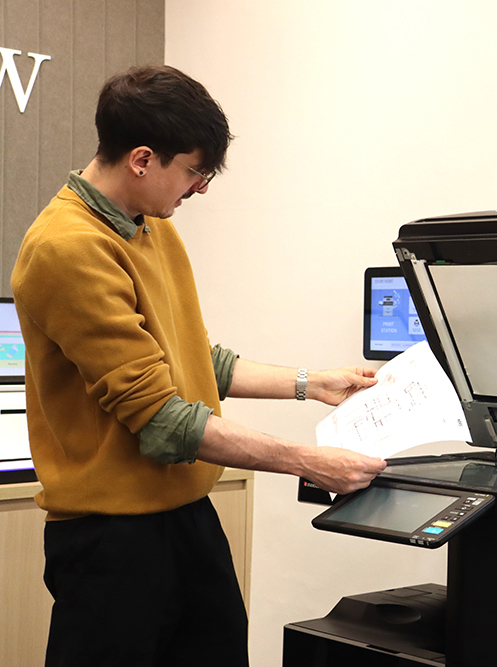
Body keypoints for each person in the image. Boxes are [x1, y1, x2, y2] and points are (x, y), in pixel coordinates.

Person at [10, 65, 386, 667]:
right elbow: (164, 420)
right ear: (141, 160)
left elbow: (193, 360)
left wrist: (310, 384)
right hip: (113, 541)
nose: (201, 188)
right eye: (194, 171)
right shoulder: (67, 248)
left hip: (186, 519)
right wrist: (306, 463)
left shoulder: (152, 226)